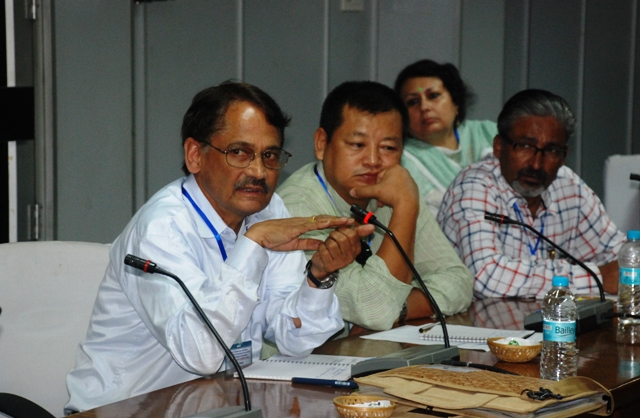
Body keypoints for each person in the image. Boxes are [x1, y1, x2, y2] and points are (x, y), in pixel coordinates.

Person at [65, 82, 374, 412]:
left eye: (269, 155)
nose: (258, 171)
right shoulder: (161, 229)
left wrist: (319, 277)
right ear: (195, 155)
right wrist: (252, 245)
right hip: (125, 411)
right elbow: (200, 353)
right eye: (239, 152)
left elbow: (296, 340)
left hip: (219, 406)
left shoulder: (268, 210)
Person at [278, 81, 473, 335]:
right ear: (322, 144)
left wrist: (401, 309)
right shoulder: (295, 208)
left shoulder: (396, 192)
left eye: (388, 148)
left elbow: (458, 281)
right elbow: (376, 309)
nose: (373, 161)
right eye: (357, 145)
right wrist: (405, 207)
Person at [438, 89, 625, 299]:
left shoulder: (569, 187)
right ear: (499, 147)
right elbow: (486, 277)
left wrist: (627, 264)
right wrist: (596, 277)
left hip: (544, 317)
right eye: (525, 146)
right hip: (472, 318)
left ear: (564, 156)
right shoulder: (474, 187)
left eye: (551, 150)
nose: (536, 164)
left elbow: (618, 252)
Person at [394, 59, 497, 217]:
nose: (424, 107)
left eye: (433, 96)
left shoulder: (488, 133)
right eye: (413, 101)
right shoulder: (403, 158)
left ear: (456, 102)